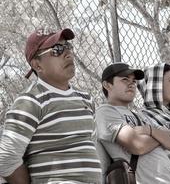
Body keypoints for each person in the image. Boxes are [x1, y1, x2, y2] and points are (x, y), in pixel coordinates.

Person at [0, 28, 101, 184]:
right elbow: (6, 157)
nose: (68, 53)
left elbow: (90, 145)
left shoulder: (86, 99)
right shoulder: (31, 101)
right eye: (57, 49)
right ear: (37, 65)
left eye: (68, 46)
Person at [95, 62, 170, 184]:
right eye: (125, 79)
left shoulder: (140, 116)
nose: (131, 83)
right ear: (107, 85)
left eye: (134, 81)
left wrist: (149, 131)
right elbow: (138, 145)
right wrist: (161, 137)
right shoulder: (105, 112)